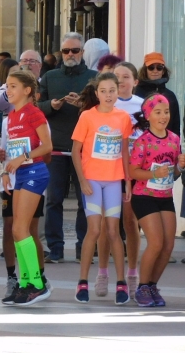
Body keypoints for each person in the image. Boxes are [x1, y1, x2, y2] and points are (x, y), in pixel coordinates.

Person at [71, 73, 132, 305]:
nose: (108, 95)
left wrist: (127, 180)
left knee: (114, 231)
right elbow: (76, 151)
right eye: (104, 91)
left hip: (114, 180)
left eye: (112, 90)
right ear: (96, 94)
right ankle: (82, 282)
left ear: (118, 92)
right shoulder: (87, 116)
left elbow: (125, 151)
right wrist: (82, 180)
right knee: (94, 230)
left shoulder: (123, 117)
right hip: (93, 181)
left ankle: (121, 282)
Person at [39, 32, 97, 263]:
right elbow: (38, 105)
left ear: (82, 52)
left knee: (85, 200)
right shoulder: (50, 76)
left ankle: (84, 246)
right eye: (66, 51)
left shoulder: (94, 77)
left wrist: (84, 105)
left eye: (75, 51)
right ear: (60, 53)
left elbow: (103, 108)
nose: (70, 55)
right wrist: (51, 105)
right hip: (57, 146)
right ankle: (56, 248)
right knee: (53, 199)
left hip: (84, 148)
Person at [0, 70, 53, 306]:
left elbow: (47, 146)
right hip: (19, 174)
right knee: (16, 230)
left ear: (27, 90)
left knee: (22, 229)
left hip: (35, 172)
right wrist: (5, 170)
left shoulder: (34, 113)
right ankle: (24, 283)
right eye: (7, 87)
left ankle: (37, 284)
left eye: (12, 86)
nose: (8, 91)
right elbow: (12, 149)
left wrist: (24, 157)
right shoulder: (11, 116)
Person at [129, 94, 185, 307]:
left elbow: (174, 174)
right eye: (158, 112)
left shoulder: (174, 139)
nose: (163, 116)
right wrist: (153, 175)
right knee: (156, 242)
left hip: (165, 196)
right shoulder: (143, 141)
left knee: (168, 245)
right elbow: (132, 171)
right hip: (144, 196)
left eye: (167, 112)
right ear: (148, 115)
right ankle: (142, 286)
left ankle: (152, 285)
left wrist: (180, 166)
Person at [96, 62, 143, 298]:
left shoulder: (142, 105)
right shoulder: (104, 105)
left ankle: (133, 272)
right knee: (107, 223)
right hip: (109, 170)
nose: (121, 81)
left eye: (126, 76)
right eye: (117, 77)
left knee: (130, 221)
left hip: (133, 171)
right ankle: (103, 272)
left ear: (135, 81)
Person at [133, 52, 180, 137]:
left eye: (159, 67)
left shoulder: (170, 95)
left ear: (163, 71)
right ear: (145, 70)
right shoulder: (136, 92)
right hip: (142, 142)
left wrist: (177, 147)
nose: (155, 71)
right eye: (151, 67)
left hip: (166, 144)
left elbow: (176, 124)